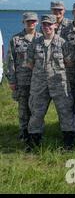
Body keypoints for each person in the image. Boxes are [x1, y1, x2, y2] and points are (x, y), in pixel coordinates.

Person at [26, 14, 75, 150]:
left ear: (55, 25)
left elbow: (69, 62)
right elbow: (30, 63)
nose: (47, 27)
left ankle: (68, 143)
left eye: (50, 24)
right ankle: (34, 142)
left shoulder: (63, 43)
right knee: (37, 113)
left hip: (59, 84)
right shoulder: (35, 43)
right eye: (44, 24)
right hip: (39, 85)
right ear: (41, 26)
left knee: (65, 112)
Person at [6, 12, 42, 141]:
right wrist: (11, 80)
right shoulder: (16, 40)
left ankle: (35, 132)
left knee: (36, 108)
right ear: (23, 22)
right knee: (23, 108)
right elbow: (10, 61)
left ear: (37, 22)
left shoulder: (41, 39)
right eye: (28, 21)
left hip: (38, 81)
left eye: (33, 21)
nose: (31, 23)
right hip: (22, 81)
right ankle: (24, 132)